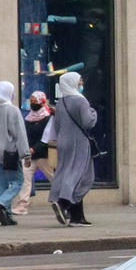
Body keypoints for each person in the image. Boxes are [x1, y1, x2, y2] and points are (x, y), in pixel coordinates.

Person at [47, 70, 97, 225]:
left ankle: (77, 216)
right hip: (78, 141)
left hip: (63, 141)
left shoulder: (60, 102)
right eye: (79, 82)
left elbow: (57, 124)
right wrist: (94, 113)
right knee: (81, 175)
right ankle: (63, 203)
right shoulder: (81, 101)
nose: (81, 84)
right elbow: (88, 122)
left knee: (65, 172)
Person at [0, 80, 25, 225]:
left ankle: (6, 214)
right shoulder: (13, 111)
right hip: (9, 152)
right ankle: (2, 206)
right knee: (17, 181)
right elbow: (20, 133)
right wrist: (25, 153)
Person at [17, 88, 51, 217]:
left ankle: (64, 200)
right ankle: (22, 204)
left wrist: (35, 149)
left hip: (43, 155)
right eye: (31, 101)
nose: (32, 103)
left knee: (54, 178)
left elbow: (47, 137)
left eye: (34, 101)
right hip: (29, 156)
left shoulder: (47, 119)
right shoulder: (28, 118)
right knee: (25, 178)